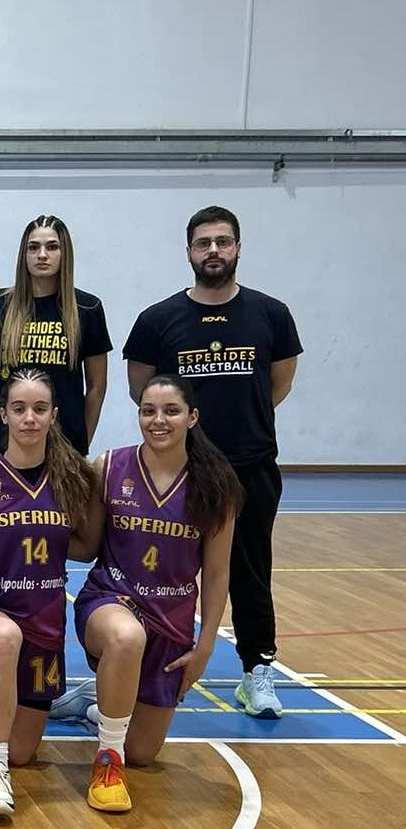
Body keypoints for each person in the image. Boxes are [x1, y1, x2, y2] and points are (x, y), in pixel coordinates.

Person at [124, 205, 301, 718]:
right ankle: (141, 668)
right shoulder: (158, 320)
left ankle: (257, 669)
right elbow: (142, 391)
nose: (214, 251)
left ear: (238, 247)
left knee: (249, 571)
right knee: (158, 569)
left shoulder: (271, 314)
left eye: (223, 241)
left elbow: (277, 385)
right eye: (204, 243)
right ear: (189, 252)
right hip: (180, 470)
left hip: (250, 467)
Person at [50, 375, 240, 812]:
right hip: (110, 600)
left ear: (192, 417)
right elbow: (88, 546)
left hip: (171, 620)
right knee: (126, 637)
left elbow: (216, 573)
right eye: (148, 411)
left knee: (143, 753)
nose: (158, 420)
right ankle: (107, 762)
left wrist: (205, 646)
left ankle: (96, 704)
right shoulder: (110, 466)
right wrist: (32, 536)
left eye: (171, 411)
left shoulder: (216, 484)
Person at [0, 369, 96, 817]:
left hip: (44, 623)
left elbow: (87, 547)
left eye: (39, 409)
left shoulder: (73, 479)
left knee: (23, 753)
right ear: (4, 415)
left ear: (54, 415)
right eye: (19, 408)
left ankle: (43, 706)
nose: (29, 418)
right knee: (3, 637)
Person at [0, 214, 112, 456]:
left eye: (52, 247)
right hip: (1, 442)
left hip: (63, 444)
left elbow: (96, 387)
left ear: (65, 253)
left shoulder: (87, 308)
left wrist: (81, 444)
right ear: (23, 255)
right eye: (34, 247)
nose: (42, 255)